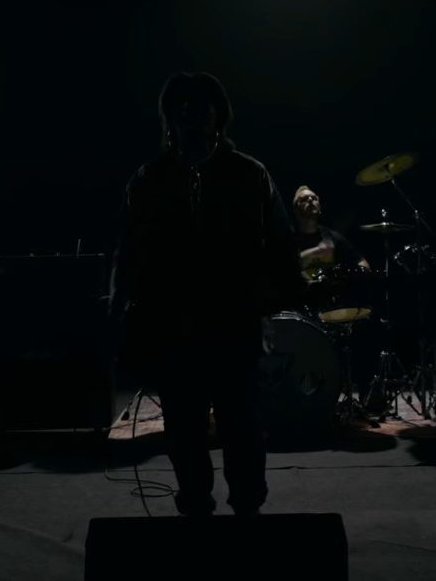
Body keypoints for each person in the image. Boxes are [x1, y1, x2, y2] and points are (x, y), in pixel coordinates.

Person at [110, 72, 304, 516]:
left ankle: (247, 508)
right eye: (181, 110)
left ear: (218, 116)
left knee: (241, 424)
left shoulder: (250, 174)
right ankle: (195, 505)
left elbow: (279, 242)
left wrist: (275, 297)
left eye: (200, 109)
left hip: (234, 321)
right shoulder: (150, 178)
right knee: (183, 426)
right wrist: (120, 309)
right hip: (173, 325)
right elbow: (128, 249)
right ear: (170, 119)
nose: (190, 117)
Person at [292, 185, 370, 280]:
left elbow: (362, 263)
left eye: (314, 198)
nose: (310, 200)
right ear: (295, 209)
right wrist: (316, 251)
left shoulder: (332, 237)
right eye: (304, 199)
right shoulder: (288, 238)